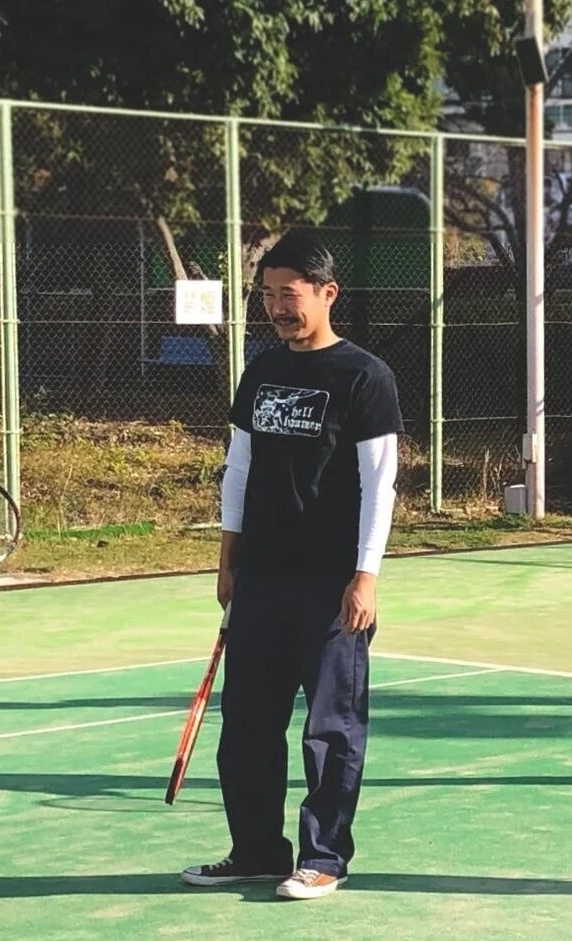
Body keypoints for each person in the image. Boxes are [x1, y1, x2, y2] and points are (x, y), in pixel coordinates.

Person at [181, 232, 402, 901]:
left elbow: (379, 483)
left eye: (291, 294)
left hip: (332, 587)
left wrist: (365, 575)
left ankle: (325, 856)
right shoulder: (260, 370)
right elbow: (239, 467)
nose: (278, 306)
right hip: (261, 581)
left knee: (330, 729)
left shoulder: (365, 377)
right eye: (270, 294)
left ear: (327, 294)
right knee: (247, 723)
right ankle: (255, 849)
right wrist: (229, 557)